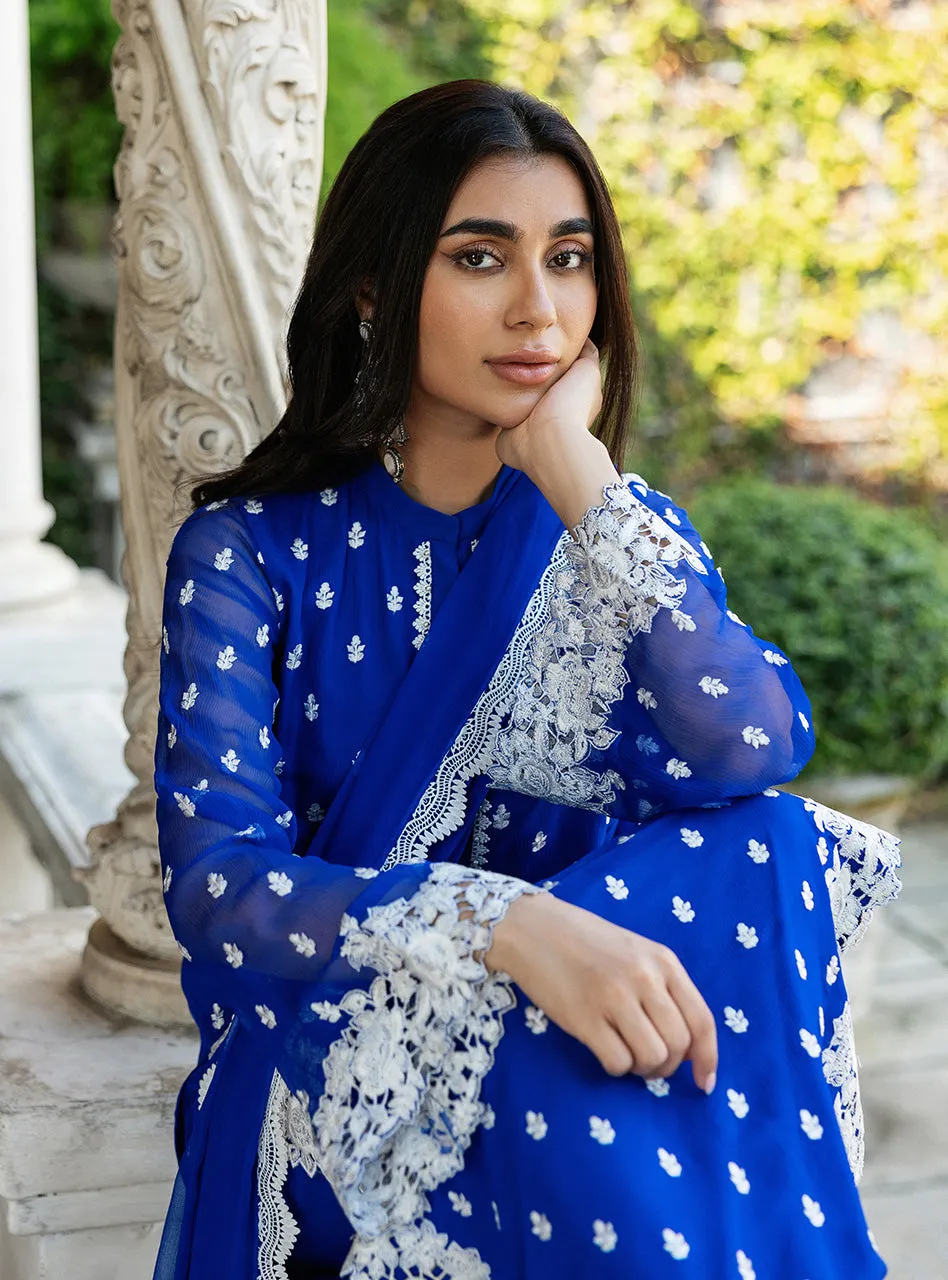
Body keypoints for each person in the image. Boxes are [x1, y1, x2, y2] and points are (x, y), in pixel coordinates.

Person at [152, 80, 901, 1280]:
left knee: (759, 843)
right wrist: (504, 924)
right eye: (480, 257)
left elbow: (754, 744)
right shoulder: (252, 555)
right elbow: (221, 889)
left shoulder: (611, 530)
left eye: (569, 259)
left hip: (593, 1057)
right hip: (354, 1055)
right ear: (371, 286)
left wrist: (572, 468)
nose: (537, 309)